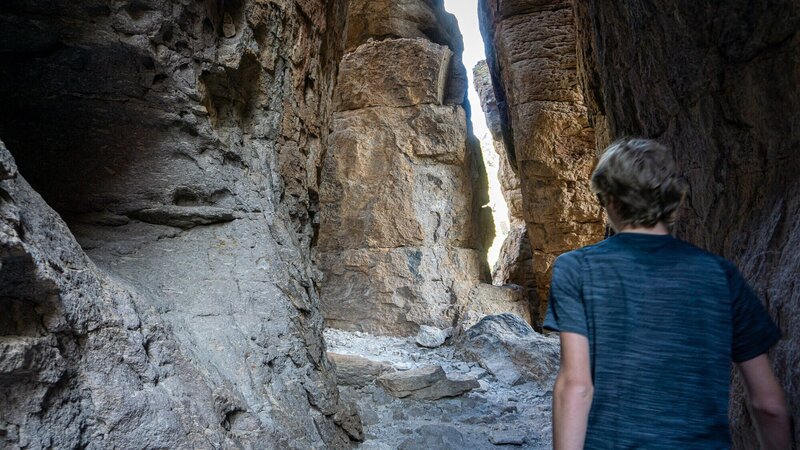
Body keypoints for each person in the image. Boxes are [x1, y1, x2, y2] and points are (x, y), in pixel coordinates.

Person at [543, 138, 791, 449]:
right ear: (672, 200)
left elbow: (576, 386)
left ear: (611, 200)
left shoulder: (576, 269)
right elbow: (768, 404)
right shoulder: (720, 275)